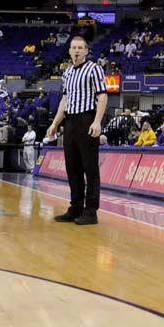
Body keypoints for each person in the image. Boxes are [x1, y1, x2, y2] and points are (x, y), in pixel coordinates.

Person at [46, 35, 108, 226]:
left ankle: (91, 211)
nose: (77, 50)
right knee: (72, 167)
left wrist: (97, 122)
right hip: (70, 122)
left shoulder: (94, 69)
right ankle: (75, 207)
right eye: (74, 47)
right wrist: (55, 123)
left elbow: (103, 96)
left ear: (87, 51)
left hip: (87, 118)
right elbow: (65, 100)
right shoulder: (67, 73)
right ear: (69, 51)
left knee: (90, 168)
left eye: (81, 47)